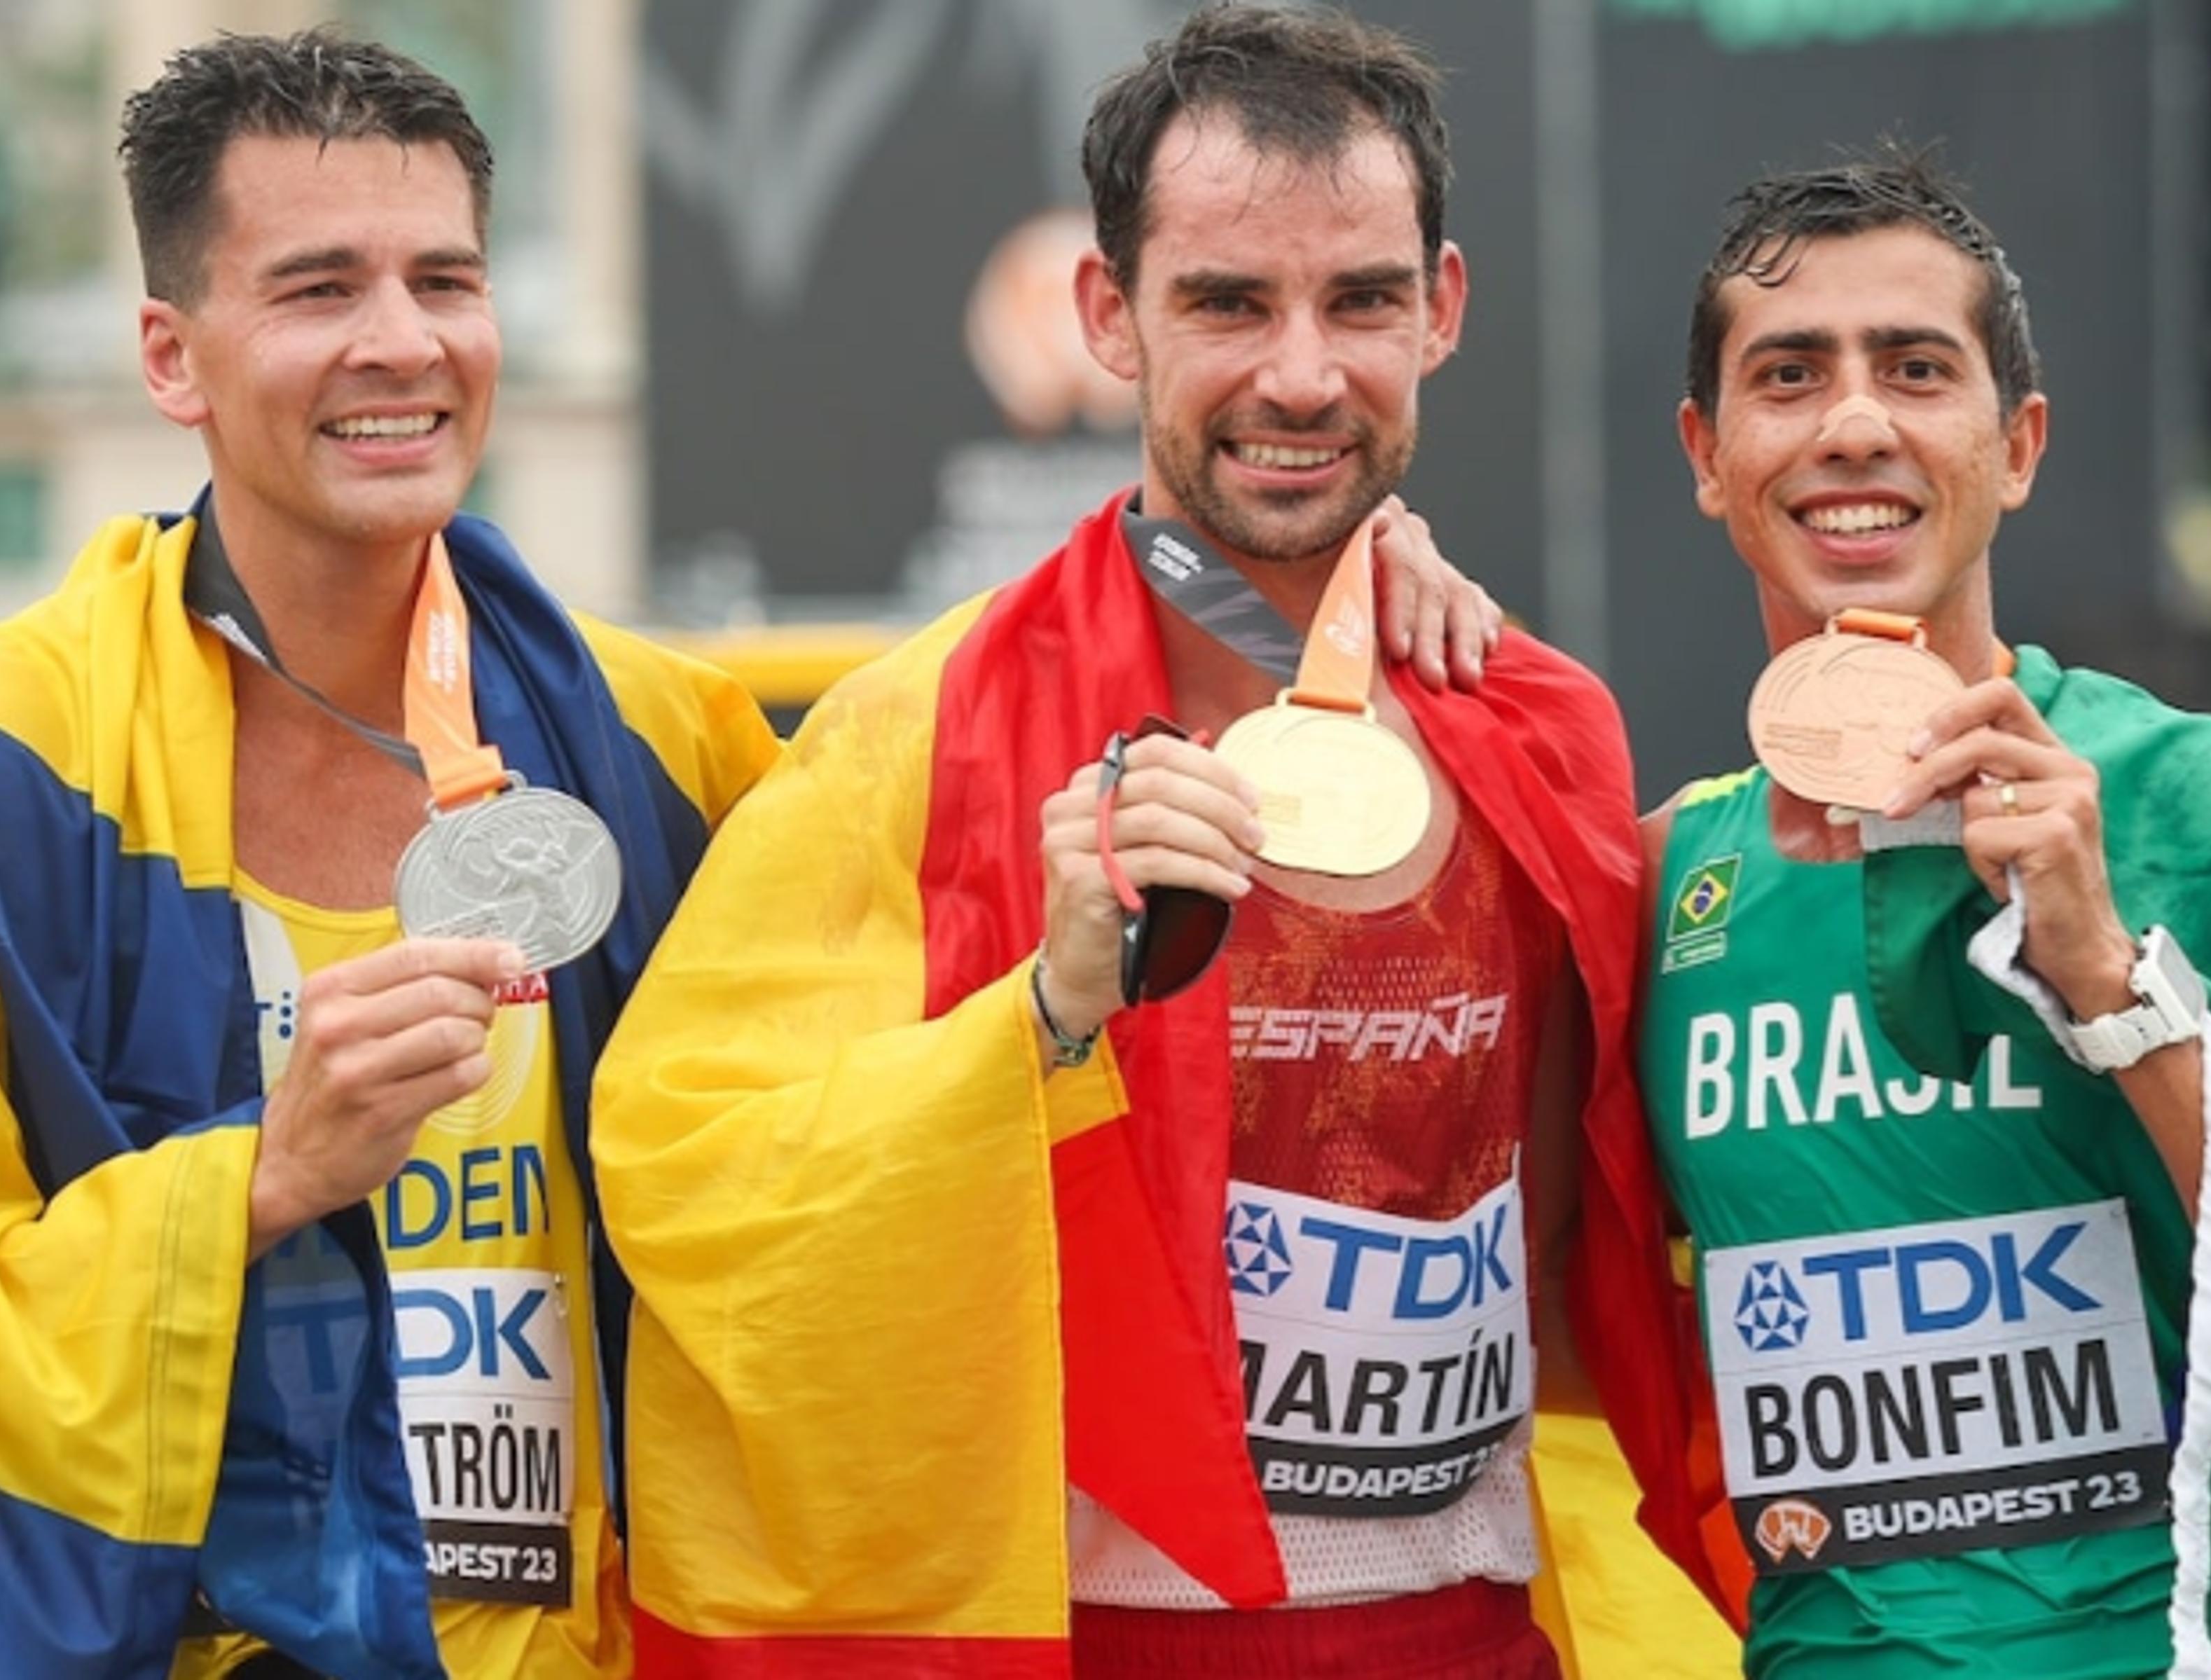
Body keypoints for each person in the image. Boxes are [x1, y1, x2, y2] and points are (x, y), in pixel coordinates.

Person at [591, 6, 1740, 1675]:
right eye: (1225, 301)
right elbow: (691, 1176)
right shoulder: (913, 734)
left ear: (1446, 307)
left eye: (1360, 299)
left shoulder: (1539, 727)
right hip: (1089, 1636)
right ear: (1105, 315)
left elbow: (1602, 1233)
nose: (1299, 372)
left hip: (1482, 1634)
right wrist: (1041, 1021)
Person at [0, 29, 782, 1678]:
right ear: (172, 352)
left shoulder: (666, 742)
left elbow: (916, 919)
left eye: (446, 278)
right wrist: (263, 1174)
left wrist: (1348, 592)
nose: (404, 343)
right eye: (317, 288)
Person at [1641, 146, 2211, 1676]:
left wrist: (2110, 978)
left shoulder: (2209, 807)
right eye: (1788, 374)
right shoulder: (1664, 881)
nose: (1854, 422)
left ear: (2019, 444)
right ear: (1707, 451)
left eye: (1918, 368)